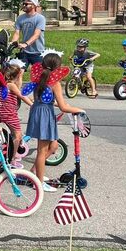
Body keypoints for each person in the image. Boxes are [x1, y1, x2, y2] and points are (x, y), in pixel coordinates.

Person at [23, 52, 83, 191]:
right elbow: (62, 107)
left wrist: (60, 105)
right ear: (57, 68)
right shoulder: (54, 83)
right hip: (45, 115)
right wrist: (79, 110)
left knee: (54, 146)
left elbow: (42, 99)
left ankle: (35, 173)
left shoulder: (39, 78)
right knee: (42, 150)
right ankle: (38, 183)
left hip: (38, 111)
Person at [0, 64, 33, 167]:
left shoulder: (5, 84)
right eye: (19, 76)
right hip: (10, 114)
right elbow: (22, 95)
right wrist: (32, 105)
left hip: (5, 113)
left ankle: (10, 153)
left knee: (13, 134)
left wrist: (20, 76)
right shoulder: (11, 85)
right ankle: (11, 160)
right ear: (15, 76)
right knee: (17, 136)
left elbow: (18, 89)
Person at [11, 0, 46, 65]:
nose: (24, 5)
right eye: (23, 3)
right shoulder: (20, 18)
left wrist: (26, 44)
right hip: (24, 51)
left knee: (38, 72)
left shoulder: (40, 18)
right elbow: (17, 33)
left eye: (26, 4)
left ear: (33, 6)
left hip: (38, 52)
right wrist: (13, 42)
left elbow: (36, 35)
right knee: (19, 70)